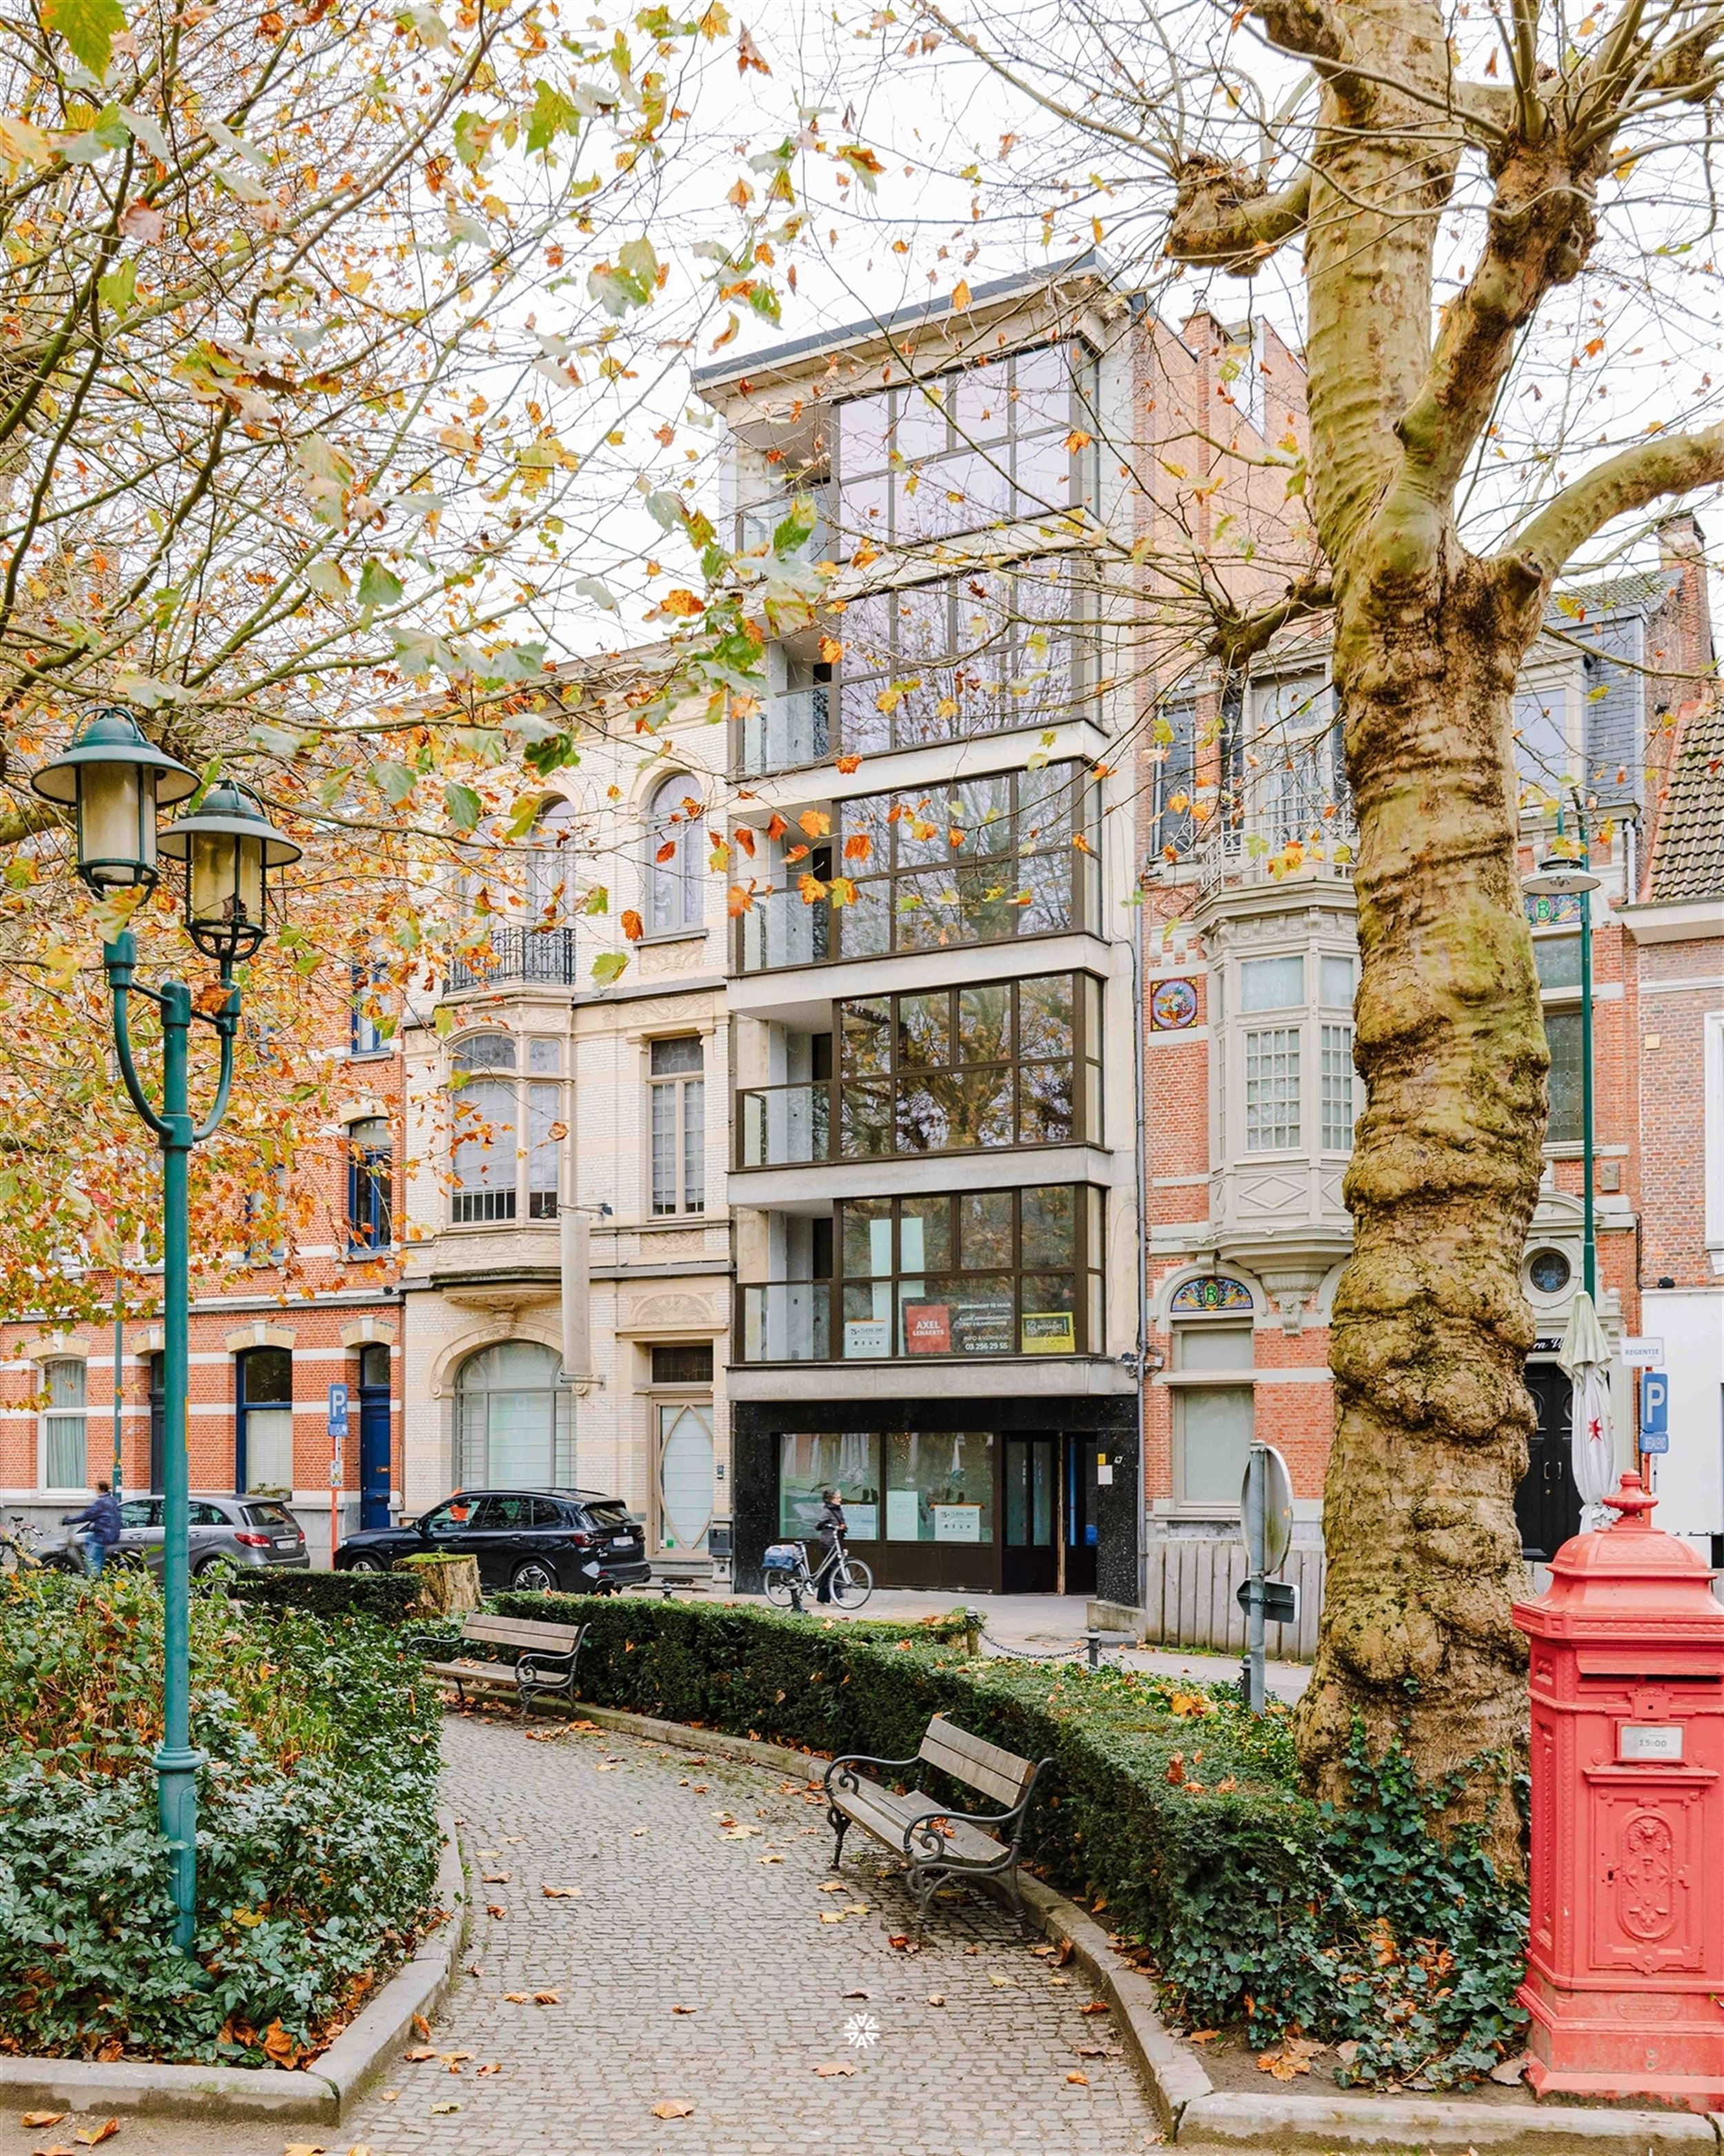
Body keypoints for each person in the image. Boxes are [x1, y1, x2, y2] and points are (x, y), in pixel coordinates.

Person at [63, 1478, 122, 1578]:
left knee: (93, 1560)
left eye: (96, 1489)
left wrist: (69, 1520)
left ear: (100, 1490)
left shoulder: (101, 1503)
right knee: (88, 1538)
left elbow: (87, 1515)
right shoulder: (112, 1500)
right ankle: (89, 1556)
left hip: (104, 1535)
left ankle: (94, 1580)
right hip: (111, 1532)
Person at [813, 1487, 846, 1604]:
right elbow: (818, 1525)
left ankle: (822, 1597)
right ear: (831, 1499)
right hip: (828, 1543)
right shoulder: (827, 1511)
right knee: (835, 1568)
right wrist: (827, 1525)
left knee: (828, 1570)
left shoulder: (838, 1509)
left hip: (836, 1542)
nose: (840, 1500)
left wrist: (842, 1526)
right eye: (838, 1498)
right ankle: (838, 1596)